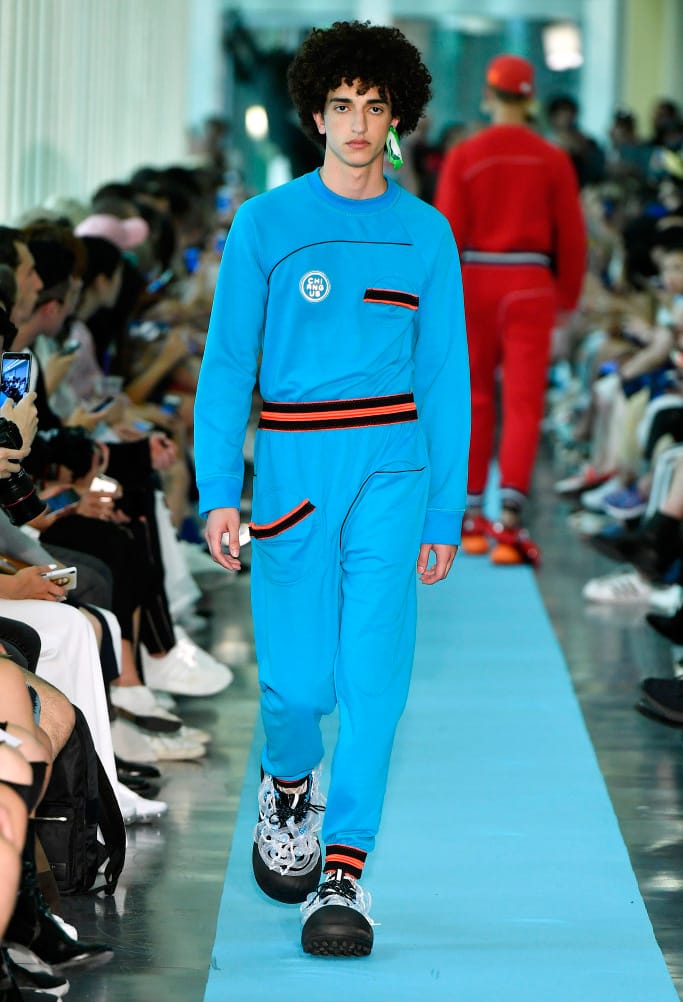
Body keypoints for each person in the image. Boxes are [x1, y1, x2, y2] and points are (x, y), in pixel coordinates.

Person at [194, 19, 469, 958]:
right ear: (315, 114)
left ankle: (342, 874)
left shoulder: (425, 234)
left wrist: (445, 509)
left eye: (374, 107)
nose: (356, 124)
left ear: (397, 119)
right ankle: (287, 781)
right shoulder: (265, 224)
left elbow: (444, 378)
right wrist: (217, 489)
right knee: (296, 684)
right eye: (341, 105)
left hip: (393, 465)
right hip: (293, 468)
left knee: (374, 681)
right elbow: (227, 365)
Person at [434, 53, 586, 565]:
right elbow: (573, 237)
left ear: (488, 95)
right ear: (531, 98)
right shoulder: (553, 158)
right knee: (523, 402)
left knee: (473, 398)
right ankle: (511, 523)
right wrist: (566, 302)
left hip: (475, 279)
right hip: (530, 282)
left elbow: (447, 235)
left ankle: (471, 517)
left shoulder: (465, 155)